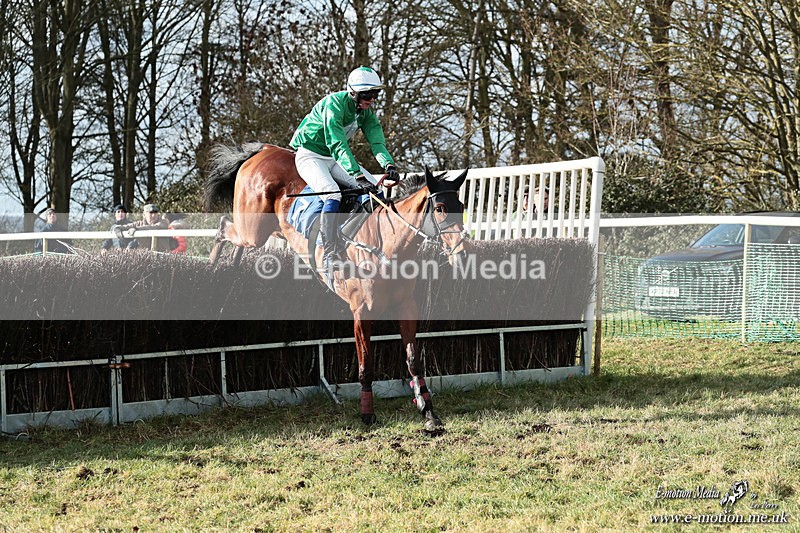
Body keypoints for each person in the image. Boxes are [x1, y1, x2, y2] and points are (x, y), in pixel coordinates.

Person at [289, 66, 400, 273]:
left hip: (333, 157)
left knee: (375, 192)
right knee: (333, 192)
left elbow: (377, 141)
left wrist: (389, 164)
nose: (372, 99)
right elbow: (337, 143)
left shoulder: (365, 112)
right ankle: (330, 253)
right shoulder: (334, 104)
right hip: (311, 155)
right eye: (367, 94)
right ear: (353, 92)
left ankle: (366, 244)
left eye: (375, 94)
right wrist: (357, 175)